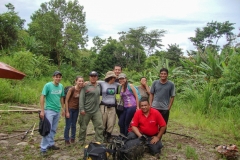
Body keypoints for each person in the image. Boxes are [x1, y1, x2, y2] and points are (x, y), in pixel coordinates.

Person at [39, 71, 65, 156]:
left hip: (57, 110)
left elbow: (61, 98)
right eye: (56, 76)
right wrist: (42, 111)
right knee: (47, 129)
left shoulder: (61, 86)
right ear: (53, 77)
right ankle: (43, 148)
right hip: (49, 110)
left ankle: (50, 144)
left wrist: (63, 109)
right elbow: (42, 97)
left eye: (59, 77)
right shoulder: (48, 85)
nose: (58, 78)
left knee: (53, 129)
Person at [78, 71, 104, 145]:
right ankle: (81, 140)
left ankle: (99, 140)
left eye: (95, 76)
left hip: (96, 110)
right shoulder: (85, 86)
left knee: (99, 125)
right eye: (91, 76)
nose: (93, 77)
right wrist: (81, 109)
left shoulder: (99, 85)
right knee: (83, 126)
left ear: (97, 77)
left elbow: (106, 81)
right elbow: (81, 98)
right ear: (89, 77)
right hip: (86, 110)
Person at [149, 68, 175, 132]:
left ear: (167, 75)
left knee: (163, 125)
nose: (163, 75)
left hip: (165, 108)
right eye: (162, 74)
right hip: (154, 107)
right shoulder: (155, 83)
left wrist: (169, 107)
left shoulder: (171, 84)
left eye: (165, 74)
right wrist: (150, 104)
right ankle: (153, 137)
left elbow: (172, 96)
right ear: (159, 74)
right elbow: (151, 94)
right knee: (153, 123)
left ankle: (159, 138)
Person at [98, 71, 119, 142]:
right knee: (103, 121)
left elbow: (124, 84)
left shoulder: (116, 84)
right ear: (110, 78)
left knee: (111, 122)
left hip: (112, 107)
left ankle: (109, 135)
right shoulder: (102, 83)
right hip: (104, 106)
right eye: (113, 78)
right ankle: (103, 135)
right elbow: (93, 81)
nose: (114, 79)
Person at [64, 76, 84, 145]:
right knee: (68, 125)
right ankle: (66, 139)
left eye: (82, 81)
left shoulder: (82, 89)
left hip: (76, 109)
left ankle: (73, 138)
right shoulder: (72, 89)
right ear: (76, 81)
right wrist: (67, 111)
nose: (81, 82)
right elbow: (66, 100)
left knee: (74, 125)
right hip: (69, 109)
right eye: (79, 81)